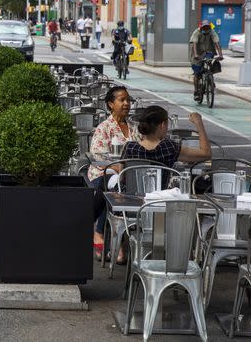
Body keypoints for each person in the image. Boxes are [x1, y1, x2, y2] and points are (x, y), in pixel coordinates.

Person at [88, 86, 141, 262]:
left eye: (128, 100)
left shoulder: (135, 128)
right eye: (122, 100)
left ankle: (118, 237)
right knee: (109, 184)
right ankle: (99, 233)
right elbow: (98, 156)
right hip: (104, 173)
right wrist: (123, 169)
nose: (126, 103)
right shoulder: (104, 128)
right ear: (111, 104)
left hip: (131, 175)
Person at [121, 106, 211, 167]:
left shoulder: (130, 147)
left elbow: (122, 178)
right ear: (163, 125)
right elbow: (206, 154)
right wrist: (199, 123)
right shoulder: (169, 147)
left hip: (132, 195)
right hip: (161, 194)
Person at [190, 20, 223, 100]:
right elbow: (194, 43)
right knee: (197, 73)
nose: (206, 29)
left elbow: (217, 43)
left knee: (210, 65)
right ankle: (196, 91)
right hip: (198, 53)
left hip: (209, 52)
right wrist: (196, 54)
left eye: (207, 27)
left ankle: (210, 80)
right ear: (201, 27)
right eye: (204, 27)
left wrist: (220, 54)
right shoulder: (197, 32)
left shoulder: (212, 32)